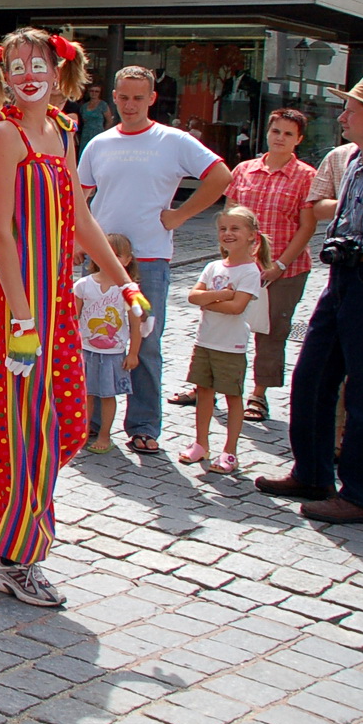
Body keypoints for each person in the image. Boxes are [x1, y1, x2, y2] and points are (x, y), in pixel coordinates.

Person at [0, 29, 148, 607]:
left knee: (68, 424)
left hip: (52, 301)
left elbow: (79, 216)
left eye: (38, 64)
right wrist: (22, 320)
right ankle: (18, 558)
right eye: (16, 65)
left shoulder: (63, 129)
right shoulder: (3, 134)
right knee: (28, 434)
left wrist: (125, 285)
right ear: (3, 74)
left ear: (59, 71)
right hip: (12, 304)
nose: (28, 74)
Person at [255, 72, 363, 525]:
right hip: (344, 279)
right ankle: (313, 472)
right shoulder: (353, 160)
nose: (343, 116)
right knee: (312, 376)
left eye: (353, 109)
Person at [78, 66, 230, 453]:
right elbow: (78, 196)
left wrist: (180, 215)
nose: (130, 105)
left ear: (151, 99)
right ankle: (93, 423)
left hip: (148, 260)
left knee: (144, 343)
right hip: (100, 262)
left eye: (138, 98)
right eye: (124, 97)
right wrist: (77, 240)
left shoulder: (173, 140)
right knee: (95, 340)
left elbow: (220, 176)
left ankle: (143, 424)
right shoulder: (99, 143)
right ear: (114, 96)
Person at [206, 109, 317, 421]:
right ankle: (212, 386)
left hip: (285, 269)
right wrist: (228, 258)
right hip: (241, 266)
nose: (280, 138)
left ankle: (258, 394)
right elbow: (228, 216)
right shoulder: (244, 170)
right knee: (224, 324)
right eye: (276, 131)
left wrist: (279, 265)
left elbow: (307, 227)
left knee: (271, 332)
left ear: (299, 140)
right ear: (267, 133)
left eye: (288, 134)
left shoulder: (306, 176)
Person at [177, 206, 269, 475]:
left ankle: (230, 451)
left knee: (232, 396)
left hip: (231, 345)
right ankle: (201, 443)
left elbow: (237, 308)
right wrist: (223, 295)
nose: (227, 233)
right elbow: (193, 297)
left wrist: (212, 299)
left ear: (252, 236)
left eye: (235, 229)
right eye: (223, 229)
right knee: (204, 391)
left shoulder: (250, 271)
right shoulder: (213, 266)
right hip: (205, 340)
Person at [75, 234, 143, 454]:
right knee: (86, 395)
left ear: (127, 260)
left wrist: (133, 353)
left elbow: (136, 324)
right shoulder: (84, 285)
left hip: (114, 352)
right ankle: (82, 432)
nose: (109, 259)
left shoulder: (128, 290)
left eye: (117, 255)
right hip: (86, 350)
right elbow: (73, 319)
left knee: (107, 395)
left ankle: (105, 434)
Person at [73, 83, 116, 148]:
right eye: (92, 91)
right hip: (85, 135)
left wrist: (104, 133)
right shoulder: (83, 107)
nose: (94, 93)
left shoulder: (103, 105)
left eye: (96, 91)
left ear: (99, 93)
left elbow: (109, 121)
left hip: (98, 134)